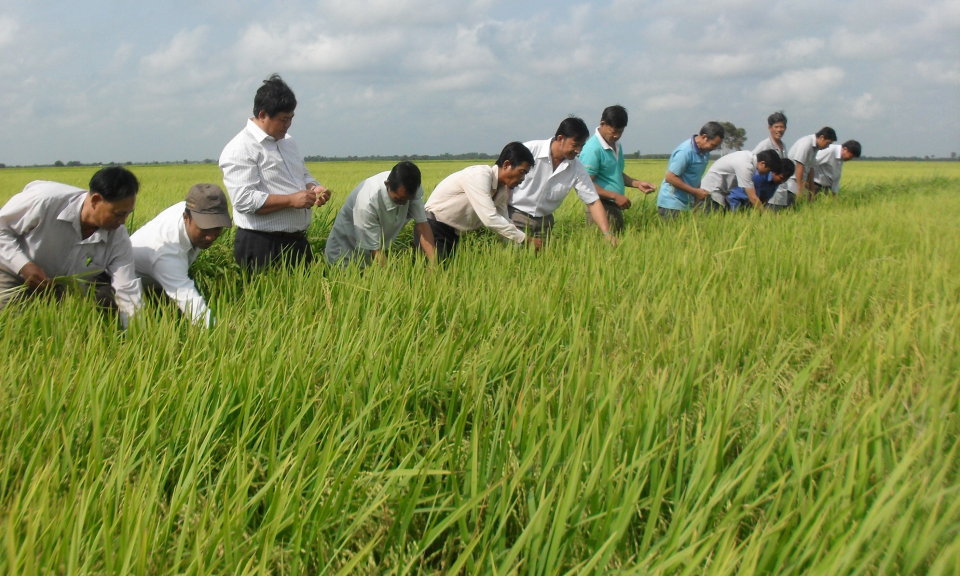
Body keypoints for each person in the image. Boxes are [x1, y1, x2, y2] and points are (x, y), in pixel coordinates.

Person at [0, 166, 142, 326]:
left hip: (59, 288)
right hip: (12, 272)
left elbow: (126, 287)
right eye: (118, 214)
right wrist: (23, 265)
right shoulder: (44, 201)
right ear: (95, 201)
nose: (123, 221)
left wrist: (135, 331)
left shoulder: (118, 237)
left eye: (128, 213)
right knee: (11, 325)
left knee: (68, 330)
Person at [219, 74, 332, 271]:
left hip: (297, 243)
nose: (288, 124)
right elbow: (243, 199)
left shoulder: (288, 142)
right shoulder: (241, 147)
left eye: (291, 118)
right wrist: (291, 200)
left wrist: (314, 187)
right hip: (263, 244)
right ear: (262, 115)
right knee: (268, 301)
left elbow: (302, 174)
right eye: (283, 119)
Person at [130, 184, 232, 327]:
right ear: (186, 218)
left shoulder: (194, 209)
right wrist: (222, 335)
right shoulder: (166, 251)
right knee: (148, 326)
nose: (210, 237)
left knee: (174, 320)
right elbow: (192, 304)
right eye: (204, 229)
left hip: (158, 278)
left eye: (217, 228)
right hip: (127, 286)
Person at [417, 142, 539, 260]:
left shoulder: (500, 191)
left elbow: (504, 221)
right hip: (432, 228)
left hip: (452, 234)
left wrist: (518, 251)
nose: (522, 179)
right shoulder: (479, 176)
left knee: (443, 275)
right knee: (432, 274)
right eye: (521, 172)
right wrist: (526, 240)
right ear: (507, 164)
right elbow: (490, 218)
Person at [507, 116, 618, 246]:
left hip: (544, 224)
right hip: (516, 218)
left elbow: (592, 201)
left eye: (582, 146)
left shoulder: (577, 167)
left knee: (541, 262)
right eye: (575, 145)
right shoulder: (529, 150)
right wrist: (502, 217)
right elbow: (504, 181)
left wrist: (607, 233)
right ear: (560, 139)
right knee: (512, 258)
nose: (578, 151)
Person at [325, 161, 436, 268]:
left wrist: (434, 265)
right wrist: (395, 281)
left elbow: (422, 225)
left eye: (408, 200)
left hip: (374, 254)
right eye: (399, 199)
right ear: (387, 184)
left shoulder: (412, 190)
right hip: (344, 254)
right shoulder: (367, 202)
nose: (404, 204)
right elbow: (374, 250)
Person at [578, 105, 656, 233]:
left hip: (615, 207)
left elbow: (616, 173)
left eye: (620, 132)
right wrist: (615, 196)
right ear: (602, 124)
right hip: (600, 208)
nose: (617, 135)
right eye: (613, 131)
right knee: (601, 249)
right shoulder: (593, 148)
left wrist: (637, 183)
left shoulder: (616, 145)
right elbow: (586, 184)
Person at [655, 122, 725, 220]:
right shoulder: (685, 152)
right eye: (713, 145)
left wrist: (696, 203)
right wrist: (695, 192)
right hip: (672, 204)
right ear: (704, 137)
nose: (714, 149)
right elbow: (670, 177)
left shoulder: (704, 153)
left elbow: (696, 177)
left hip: (688, 203)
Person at [767, 127, 836, 211]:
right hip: (791, 185)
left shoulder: (815, 148)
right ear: (822, 137)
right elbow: (799, 165)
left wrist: (812, 189)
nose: (827, 146)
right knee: (788, 211)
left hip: (798, 185)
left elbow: (811, 168)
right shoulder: (806, 143)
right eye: (827, 143)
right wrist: (800, 189)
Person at [700, 149, 783, 211]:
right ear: (762, 164)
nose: (767, 174)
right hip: (711, 193)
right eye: (768, 170)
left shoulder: (748, 157)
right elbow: (752, 197)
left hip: (720, 193)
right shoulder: (746, 166)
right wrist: (766, 216)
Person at [727, 159, 796, 211]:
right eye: (781, 178)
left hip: (750, 204)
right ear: (774, 172)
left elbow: (764, 199)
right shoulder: (759, 176)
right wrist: (765, 214)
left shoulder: (776, 182)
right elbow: (753, 198)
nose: (782, 181)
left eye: (785, 179)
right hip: (736, 201)